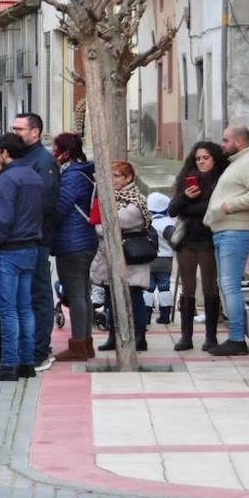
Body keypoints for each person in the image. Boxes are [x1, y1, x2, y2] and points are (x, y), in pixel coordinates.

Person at [0, 134, 44, 381]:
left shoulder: (8, 179)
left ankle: (9, 363)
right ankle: (27, 363)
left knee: (7, 310)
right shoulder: (33, 176)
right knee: (25, 308)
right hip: (30, 246)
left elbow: (3, 215)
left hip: (9, 248)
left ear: (6, 153)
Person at [205, 126, 249, 356]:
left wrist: (229, 205)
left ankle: (236, 339)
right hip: (226, 230)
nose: (222, 144)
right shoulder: (239, 163)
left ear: (239, 142)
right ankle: (235, 337)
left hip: (236, 230)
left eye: (226, 140)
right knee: (226, 285)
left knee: (230, 285)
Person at [11, 113, 60, 371]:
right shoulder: (21, 158)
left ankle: (41, 350)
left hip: (36, 241)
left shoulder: (44, 161)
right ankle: (27, 347)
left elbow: (47, 203)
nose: (16, 132)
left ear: (35, 132)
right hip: (20, 241)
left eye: (20, 129)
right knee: (24, 297)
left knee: (39, 296)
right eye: (14, 128)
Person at [169, 141, 229, 351]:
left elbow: (214, 209)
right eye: (198, 158)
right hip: (187, 239)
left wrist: (189, 207)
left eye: (206, 158)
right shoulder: (187, 178)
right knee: (188, 288)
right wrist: (186, 197)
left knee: (210, 287)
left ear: (214, 158)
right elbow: (173, 209)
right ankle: (186, 336)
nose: (202, 162)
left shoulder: (222, 179)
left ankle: (210, 337)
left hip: (210, 239)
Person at [93, 161, 152, 353]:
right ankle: (114, 335)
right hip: (112, 256)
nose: (112, 180)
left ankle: (139, 336)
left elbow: (114, 222)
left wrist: (100, 225)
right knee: (111, 298)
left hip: (131, 257)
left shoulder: (136, 200)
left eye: (117, 175)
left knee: (134, 298)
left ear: (128, 178)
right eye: (110, 175)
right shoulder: (110, 198)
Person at [50, 133, 99, 362]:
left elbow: (60, 208)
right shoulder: (83, 172)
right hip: (84, 239)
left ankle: (78, 345)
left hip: (72, 242)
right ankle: (85, 343)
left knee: (77, 294)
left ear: (66, 153)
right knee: (83, 294)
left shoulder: (72, 176)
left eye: (55, 149)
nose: (53, 153)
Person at [146, 192, 176, 324]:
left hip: (148, 260)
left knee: (148, 288)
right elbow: (174, 240)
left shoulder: (146, 222)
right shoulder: (167, 223)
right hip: (165, 260)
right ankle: (165, 315)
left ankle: (146, 315)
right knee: (164, 287)